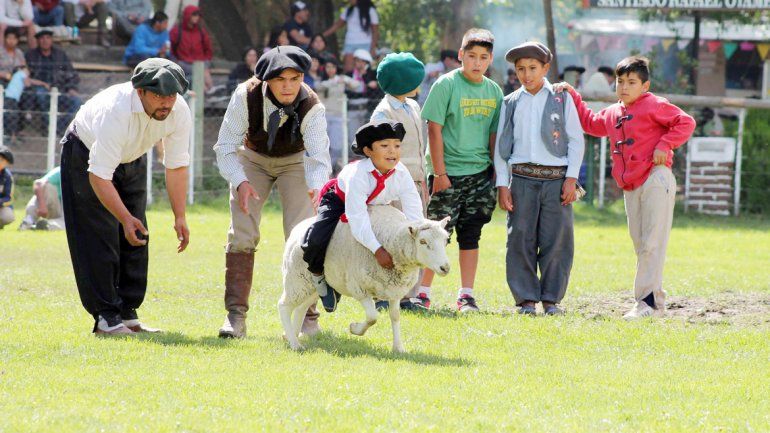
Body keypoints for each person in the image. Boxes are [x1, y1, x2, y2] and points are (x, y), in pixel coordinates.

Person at [556, 56, 696, 319]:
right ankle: (653, 301)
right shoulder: (613, 112)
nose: (624, 87)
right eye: (620, 81)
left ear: (645, 85)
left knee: (651, 242)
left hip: (656, 177)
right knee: (640, 243)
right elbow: (590, 123)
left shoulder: (655, 104)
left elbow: (686, 122)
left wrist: (664, 145)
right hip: (631, 184)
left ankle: (646, 302)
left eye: (632, 82)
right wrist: (573, 95)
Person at [61, 58, 192, 335]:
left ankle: (128, 312)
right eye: (158, 95)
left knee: (137, 234)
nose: (166, 103)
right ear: (140, 91)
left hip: (132, 156)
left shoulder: (178, 111)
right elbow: (98, 175)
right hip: (86, 153)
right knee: (100, 235)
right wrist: (123, 217)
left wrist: (179, 216)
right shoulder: (116, 112)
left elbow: (176, 164)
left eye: (171, 95)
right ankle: (106, 317)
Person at [213, 46, 331, 339]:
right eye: (281, 80)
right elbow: (226, 146)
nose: (288, 86)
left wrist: (317, 186)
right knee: (242, 232)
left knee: (304, 234)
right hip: (252, 161)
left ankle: (308, 318)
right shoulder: (245, 95)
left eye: (295, 78)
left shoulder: (312, 105)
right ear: (266, 80)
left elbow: (318, 157)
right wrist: (240, 181)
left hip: (295, 162)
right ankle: (235, 317)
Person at [493, 42, 585, 316]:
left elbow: (576, 141)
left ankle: (551, 299)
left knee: (557, 239)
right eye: (520, 69)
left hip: (557, 180)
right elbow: (501, 147)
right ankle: (525, 299)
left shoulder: (561, 98)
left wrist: (571, 179)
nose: (526, 74)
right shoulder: (510, 103)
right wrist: (502, 184)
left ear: (546, 68)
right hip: (521, 180)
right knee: (520, 238)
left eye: (533, 68)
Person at [419, 28, 502, 313]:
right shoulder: (446, 85)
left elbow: (494, 135)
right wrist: (440, 175)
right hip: (448, 175)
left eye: (483, 57)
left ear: (490, 59)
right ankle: (422, 293)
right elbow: (433, 128)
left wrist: (495, 172)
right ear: (460, 56)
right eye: (471, 56)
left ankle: (466, 296)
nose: (477, 63)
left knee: (471, 234)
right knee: (435, 235)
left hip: (480, 175)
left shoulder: (494, 91)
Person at [301, 119, 423, 312]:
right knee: (316, 239)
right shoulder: (359, 175)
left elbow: (413, 208)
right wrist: (377, 249)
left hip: (376, 206)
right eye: (384, 146)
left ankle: (380, 290)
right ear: (368, 151)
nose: (392, 151)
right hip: (339, 201)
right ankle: (320, 278)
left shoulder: (401, 172)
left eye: (397, 146)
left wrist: (420, 234)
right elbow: (357, 218)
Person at [369, 52, 428, 310]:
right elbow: (382, 154)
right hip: (395, 186)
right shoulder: (384, 113)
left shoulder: (413, 106)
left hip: (416, 182)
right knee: (394, 238)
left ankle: (407, 294)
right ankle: (385, 294)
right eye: (415, 79)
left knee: (416, 236)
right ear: (404, 82)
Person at [24, 29, 81, 135]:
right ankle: (48, 127)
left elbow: (72, 73)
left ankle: (59, 128)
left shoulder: (60, 55)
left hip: (61, 88)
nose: (45, 41)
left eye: (48, 38)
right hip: (40, 89)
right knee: (41, 95)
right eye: (42, 38)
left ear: (52, 40)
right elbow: (25, 76)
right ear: (37, 41)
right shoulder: (31, 55)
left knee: (76, 101)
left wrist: (71, 88)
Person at [315, 57, 362, 171]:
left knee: (337, 146)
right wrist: (334, 82)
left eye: (333, 67)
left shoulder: (341, 79)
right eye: (328, 67)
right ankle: (323, 170)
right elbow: (319, 87)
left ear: (336, 68)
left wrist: (346, 80)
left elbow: (357, 85)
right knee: (323, 146)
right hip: (323, 117)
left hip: (338, 116)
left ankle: (331, 169)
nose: (330, 69)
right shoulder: (320, 80)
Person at [323, 0, 379, 74]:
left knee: (364, 70)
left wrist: (373, 48)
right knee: (348, 70)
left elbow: (375, 31)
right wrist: (322, 35)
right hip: (350, 43)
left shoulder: (370, 10)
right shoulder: (348, 10)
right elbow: (337, 25)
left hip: (365, 44)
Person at [169, 4, 213, 91]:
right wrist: (176, 61)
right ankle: (207, 91)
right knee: (201, 72)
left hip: (200, 62)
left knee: (203, 69)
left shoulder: (201, 32)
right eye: (194, 14)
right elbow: (171, 49)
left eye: (198, 15)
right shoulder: (176, 31)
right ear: (187, 15)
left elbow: (208, 49)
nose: (197, 17)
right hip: (183, 63)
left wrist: (206, 60)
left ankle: (208, 90)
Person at [19, 165, 65, 230]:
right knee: (47, 187)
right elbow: (38, 184)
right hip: (50, 204)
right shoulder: (62, 171)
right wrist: (42, 205)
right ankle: (28, 221)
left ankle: (46, 225)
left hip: (63, 210)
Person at [0, 145, 14, 229]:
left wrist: (0, 202)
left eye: (2, 160)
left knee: (8, 216)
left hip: (1, 206)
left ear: (6, 163)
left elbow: (9, 198)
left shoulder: (7, 177)